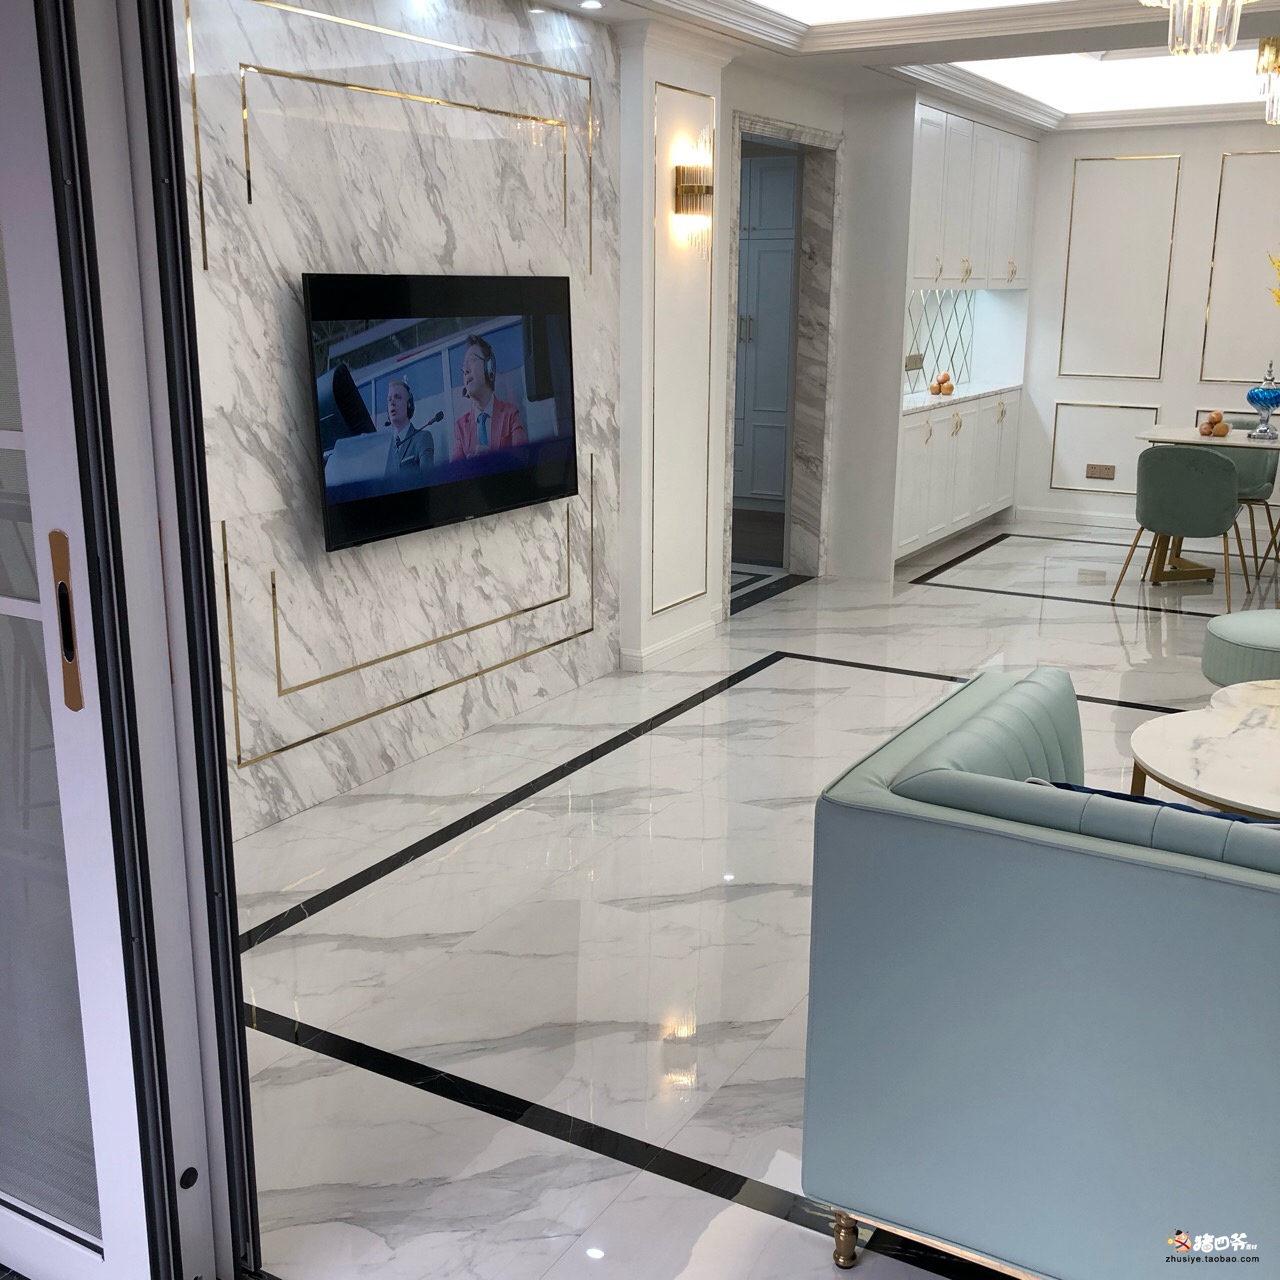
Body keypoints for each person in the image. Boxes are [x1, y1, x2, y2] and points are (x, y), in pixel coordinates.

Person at [452, 334, 527, 461]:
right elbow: (454, 470)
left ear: (489, 367)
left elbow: (523, 459)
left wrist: (494, 461)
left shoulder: (511, 414)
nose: (466, 370)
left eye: (472, 360)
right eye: (464, 367)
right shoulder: (461, 426)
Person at [385, 378, 434, 473]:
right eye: (389, 399)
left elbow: (428, 477)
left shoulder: (422, 438)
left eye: (397, 397)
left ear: (409, 405)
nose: (392, 403)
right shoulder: (385, 448)